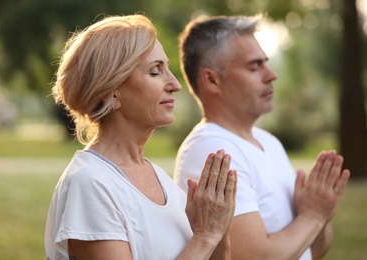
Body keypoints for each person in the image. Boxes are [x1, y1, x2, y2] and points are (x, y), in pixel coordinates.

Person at [44, 14, 238, 260]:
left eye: (168, 68)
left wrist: (220, 231)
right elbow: (201, 242)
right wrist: (205, 237)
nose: (175, 84)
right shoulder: (90, 183)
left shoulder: (159, 178)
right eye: (155, 71)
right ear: (110, 92)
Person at [174, 15, 350, 260]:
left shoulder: (268, 141)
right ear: (212, 80)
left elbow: (315, 249)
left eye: (265, 64)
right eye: (254, 67)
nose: (271, 75)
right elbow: (255, 256)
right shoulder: (212, 149)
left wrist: (316, 212)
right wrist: (313, 216)